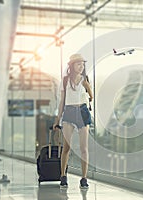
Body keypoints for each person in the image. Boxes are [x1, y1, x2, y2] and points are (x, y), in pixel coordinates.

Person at [53, 53, 93, 189]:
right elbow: (62, 102)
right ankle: (63, 176)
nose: (81, 66)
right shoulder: (65, 81)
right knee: (66, 147)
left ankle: (84, 178)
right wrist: (57, 119)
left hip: (82, 111)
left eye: (82, 64)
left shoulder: (85, 79)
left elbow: (91, 97)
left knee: (83, 148)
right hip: (69, 112)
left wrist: (88, 86)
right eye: (78, 64)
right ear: (72, 65)